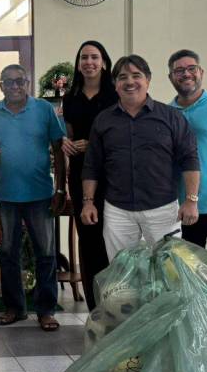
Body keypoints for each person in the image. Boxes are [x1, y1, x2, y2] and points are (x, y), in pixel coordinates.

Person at [81, 55, 200, 259]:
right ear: (115, 84)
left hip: (163, 210)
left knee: (168, 270)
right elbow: (92, 165)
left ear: (148, 80)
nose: (130, 82)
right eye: (122, 77)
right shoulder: (103, 120)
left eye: (136, 75)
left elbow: (190, 159)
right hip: (118, 211)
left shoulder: (171, 117)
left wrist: (191, 200)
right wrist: (88, 202)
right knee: (122, 271)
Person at [0, 64, 67, 331]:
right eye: (9, 82)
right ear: (1, 86)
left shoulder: (44, 109)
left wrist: (60, 189)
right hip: (5, 195)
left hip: (40, 194)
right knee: (8, 253)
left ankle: (46, 311)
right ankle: (15, 308)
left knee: (46, 253)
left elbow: (58, 149)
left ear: (28, 83)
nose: (15, 86)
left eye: (20, 81)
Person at [61, 40, 118, 310]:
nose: (89, 62)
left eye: (94, 57)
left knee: (111, 239)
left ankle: (115, 304)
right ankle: (95, 309)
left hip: (111, 176)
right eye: (84, 57)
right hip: (80, 176)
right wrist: (66, 143)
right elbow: (70, 133)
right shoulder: (70, 97)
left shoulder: (115, 94)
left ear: (104, 62)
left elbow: (122, 135)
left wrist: (93, 145)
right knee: (88, 241)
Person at [167, 49, 207, 260]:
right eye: (179, 70)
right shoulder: (166, 114)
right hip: (184, 207)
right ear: (171, 77)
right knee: (189, 272)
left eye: (191, 68)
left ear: (201, 72)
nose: (186, 74)